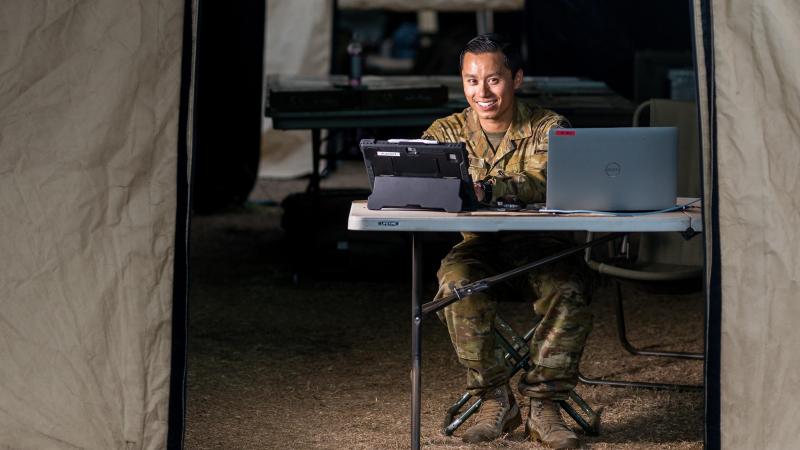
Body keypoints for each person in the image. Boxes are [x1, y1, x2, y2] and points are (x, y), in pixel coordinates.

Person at [421, 34, 592, 449]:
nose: (482, 92)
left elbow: (547, 178)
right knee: (456, 285)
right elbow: (420, 177)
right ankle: (494, 399)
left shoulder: (550, 127)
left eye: (494, 80)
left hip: (542, 247)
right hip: (478, 248)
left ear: (516, 79)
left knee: (571, 286)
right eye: (471, 80)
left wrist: (487, 189)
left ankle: (545, 404)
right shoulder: (446, 132)